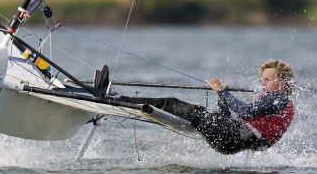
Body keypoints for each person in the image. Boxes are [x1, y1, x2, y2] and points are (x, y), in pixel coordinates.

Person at [122, 59, 295, 155]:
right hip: (229, 142)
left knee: (173, 103)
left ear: (282, 82)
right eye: (261, 79)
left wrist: (221, 90)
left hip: (232, 138)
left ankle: (117, 99)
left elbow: (245, 112)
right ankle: (121, 100)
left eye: (267, 79)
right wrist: (221, 97)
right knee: (178, 107)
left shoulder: (279, 98)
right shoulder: (272, 100)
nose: (262, 83)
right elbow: (229, 119)